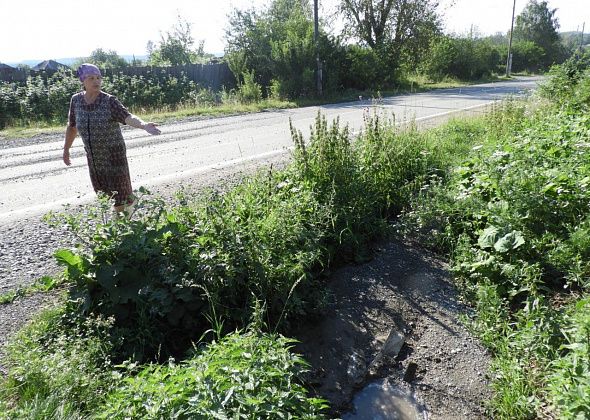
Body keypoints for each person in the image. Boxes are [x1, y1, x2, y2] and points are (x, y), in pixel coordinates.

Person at [62, 63, 161, 214]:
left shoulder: (109, 101)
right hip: (94, 158)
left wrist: (144, 125)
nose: (96, 81)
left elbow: (127, 117)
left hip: (114, 156)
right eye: (91, 78)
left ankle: (122, 225)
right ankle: (125, 217)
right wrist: (66, 149)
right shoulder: (76, 101)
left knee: (119, 195)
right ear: (83, 80)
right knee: (103, 193)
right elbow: (72, 126)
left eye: (98, 78)